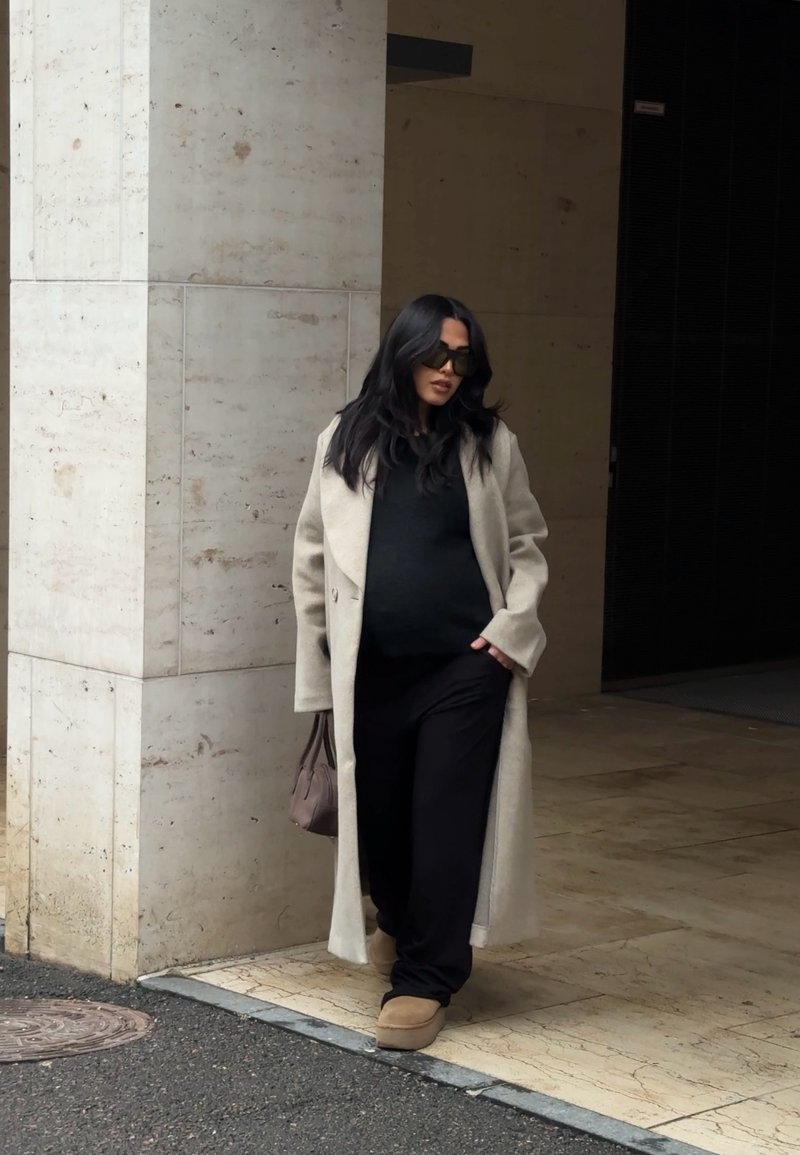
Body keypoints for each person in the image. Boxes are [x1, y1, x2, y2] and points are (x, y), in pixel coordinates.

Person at [292, 293, 548, 1052]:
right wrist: (321, 667)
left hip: (464, 670)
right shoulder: (346, 438)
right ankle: (402, 922)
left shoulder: (488, 442)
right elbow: (312, 556)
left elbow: (526, 544)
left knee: (445, 820)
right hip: (371, 671)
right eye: (436, 354)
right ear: (402, 354)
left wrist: (511, 633)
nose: (449, 369)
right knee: (384, 821)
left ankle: (427, 977)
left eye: (462, 358)